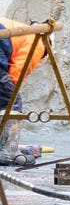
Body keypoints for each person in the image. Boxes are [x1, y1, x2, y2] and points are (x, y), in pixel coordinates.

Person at [0, 18, 46, 166]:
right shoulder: (38, 42)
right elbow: (15, 76)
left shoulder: (23, 32)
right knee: (11, 101)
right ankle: (8, 152)